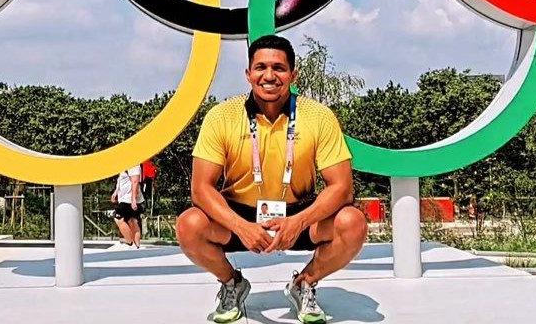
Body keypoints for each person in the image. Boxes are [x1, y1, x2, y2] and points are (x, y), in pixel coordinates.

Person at [176, 35, 367, 324]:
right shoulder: (221, 116)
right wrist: (241, 226)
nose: (269, 75)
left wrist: (299, 222)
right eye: (260, 67)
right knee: (189, 225)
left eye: (278, 68)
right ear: (248, 74)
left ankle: (304, 283)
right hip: (239, 214)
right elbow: (201, 188)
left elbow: (342, 187)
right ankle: (232, 284)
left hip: (299, 212)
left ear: (293, 74)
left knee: (353, 223)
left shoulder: (318, 116)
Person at [110, 164, 144, 249]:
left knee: (118, 218)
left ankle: (129, 241)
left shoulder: (134, 165)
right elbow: (121, 181)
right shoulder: (125, 165)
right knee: (132, 220)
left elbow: (135, 182)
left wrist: (133, 200)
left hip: (128, 199)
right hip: (126, 198)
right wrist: (116, 192)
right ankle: (137, 246)